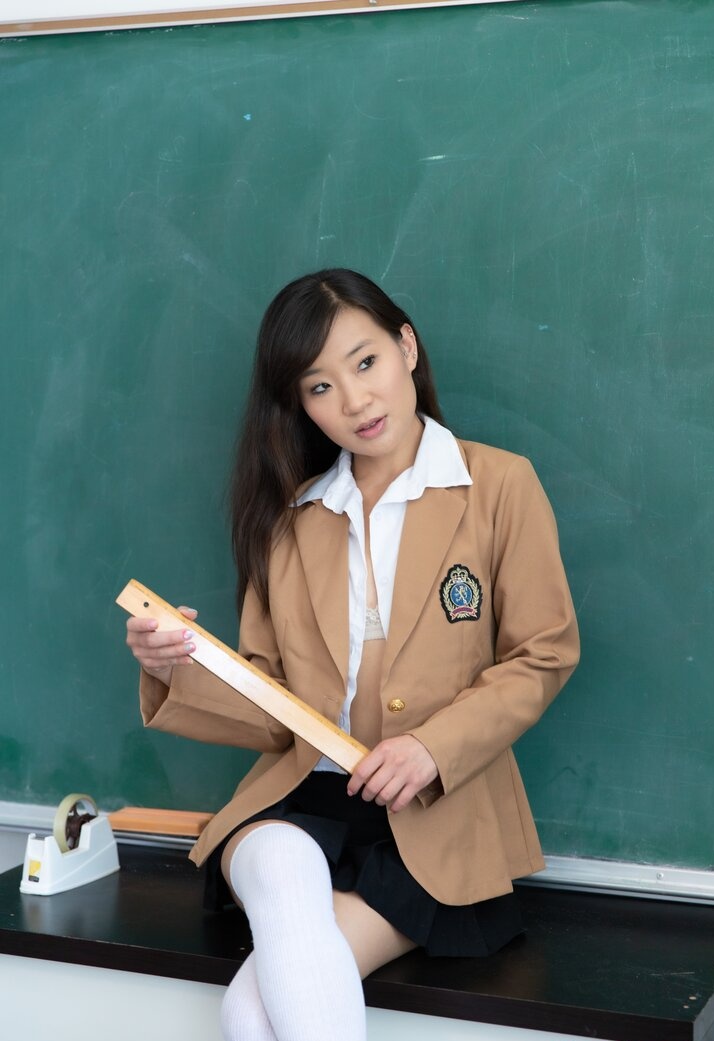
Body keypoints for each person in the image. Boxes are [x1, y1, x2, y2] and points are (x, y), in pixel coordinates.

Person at [126, 268, 580, 1041]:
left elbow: (544, 652)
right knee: (278, 859)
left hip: (434, 814)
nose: (355, 400)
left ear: (407, 347)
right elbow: (271, 705)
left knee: (250, 1012)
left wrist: (431, 747)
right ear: (299, 404)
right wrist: (171, 665)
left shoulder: (499, 485)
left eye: (365, 362)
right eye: (320, 386)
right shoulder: (290, 520)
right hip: (300, 799)